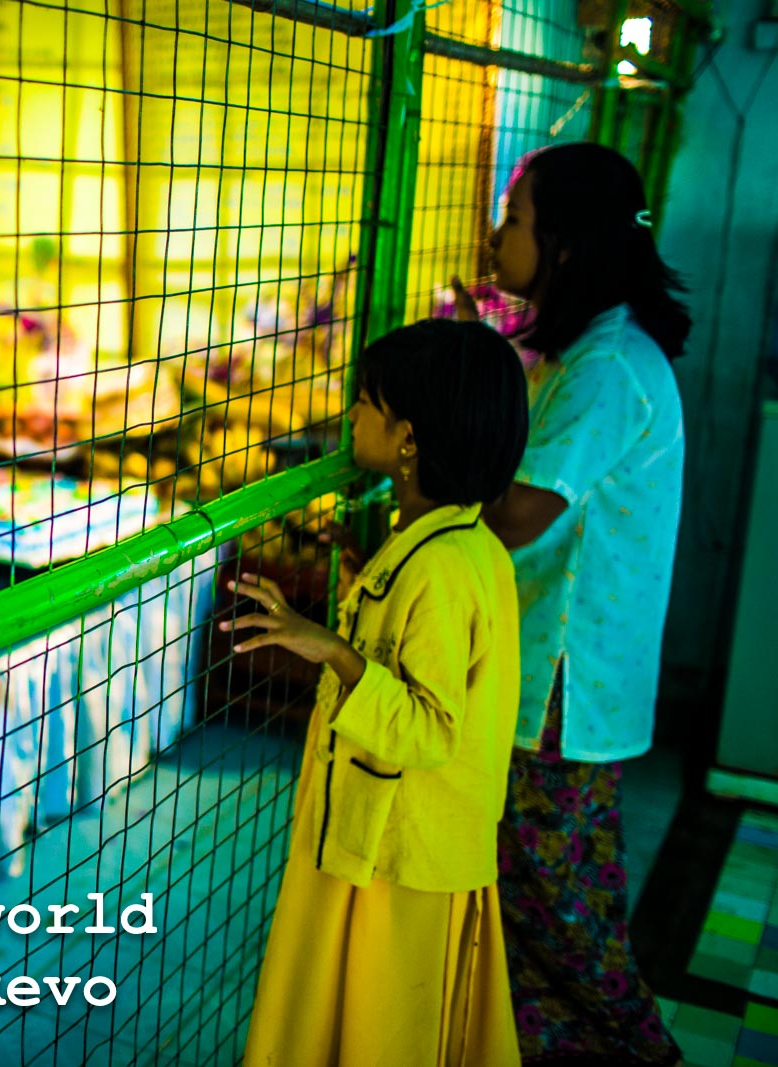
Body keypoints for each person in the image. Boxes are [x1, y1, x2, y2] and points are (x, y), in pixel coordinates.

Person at [234, 318, 530, 1067]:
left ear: (408, 439)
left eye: (365, 401)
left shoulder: (443, 567)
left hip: (403, 863)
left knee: (385, 1032)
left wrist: (329, 646)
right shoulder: (455, 543)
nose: (349, 415)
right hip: (390, 848)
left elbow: (431, 728)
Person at [453, 142, 690, 1065]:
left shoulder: (607, 365)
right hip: (556, 678)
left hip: (561, 691)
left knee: (569, 926)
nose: (497, 232)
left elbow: (517, 511)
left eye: (514, 218)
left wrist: (424, 442)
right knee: (526, 920)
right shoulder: (593, 350)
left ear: (564, 243)